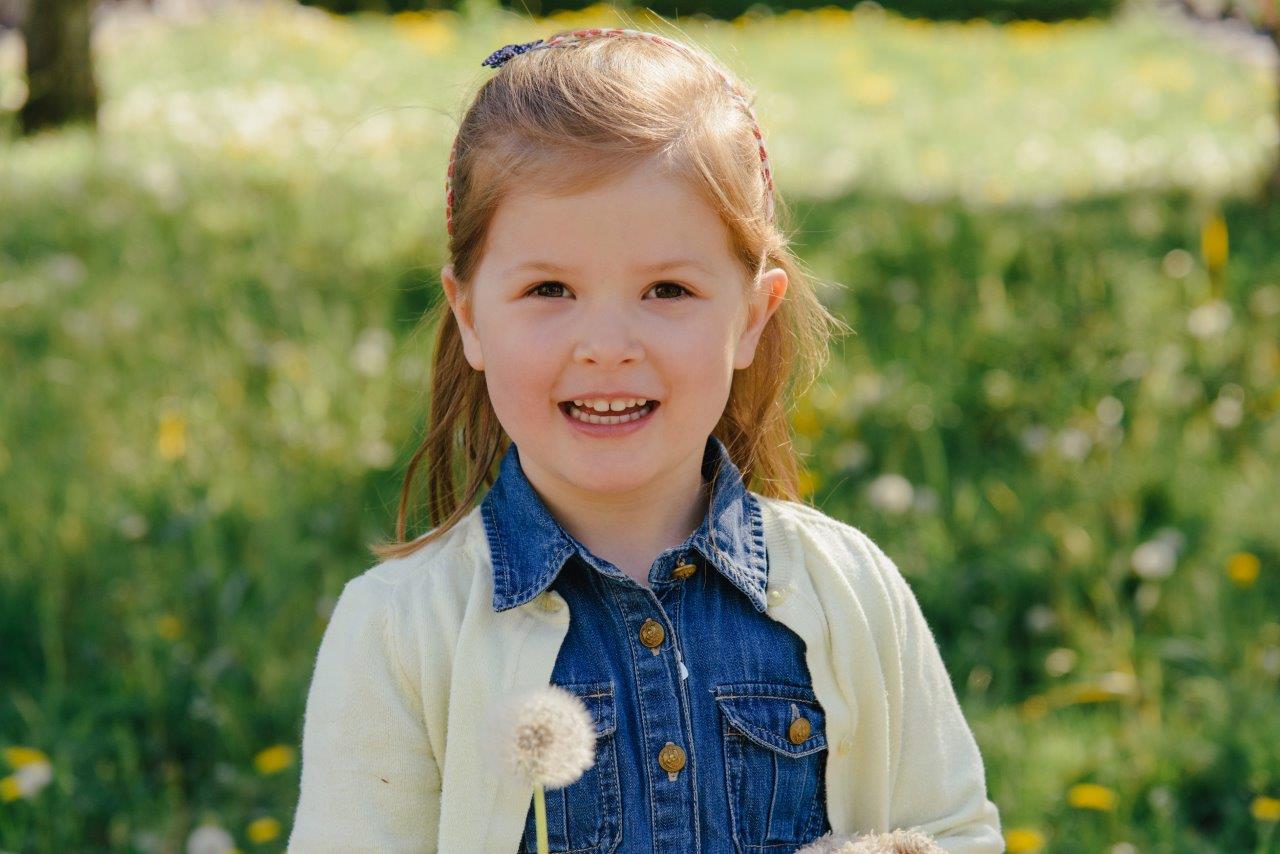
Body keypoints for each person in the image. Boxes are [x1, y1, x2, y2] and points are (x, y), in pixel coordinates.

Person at [287, 26, 1004, 854]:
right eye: (549, 288)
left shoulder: (852, 593)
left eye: (667, 289)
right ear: (471, 316)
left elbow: (956, 832)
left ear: (751, 318)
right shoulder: (398, 631)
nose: (607, 343)